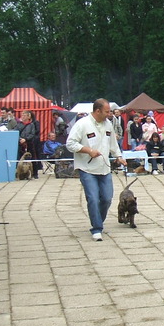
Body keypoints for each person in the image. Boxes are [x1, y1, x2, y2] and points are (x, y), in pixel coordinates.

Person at [66, 99, 126, 241]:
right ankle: (97, 228)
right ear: (97, 111)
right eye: (107, 111)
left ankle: (98, 220)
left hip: (104, 168)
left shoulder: (108, 124)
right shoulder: (82, 124)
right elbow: (70, 143)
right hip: (86, 168)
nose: (109, 114)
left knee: (106, 198)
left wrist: (119, 156)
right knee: (93, 198)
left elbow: (113, 143)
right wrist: (88, 150)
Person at [18, 110, 41, 179]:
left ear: (28, 116)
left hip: (30, 144)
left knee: (33, 158)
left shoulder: (31, 125)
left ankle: (35, 173)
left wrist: (26, 139)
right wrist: (20, 139)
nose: (23, 117)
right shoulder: (19, 124)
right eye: (22, 115)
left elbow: (32, 134)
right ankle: (21, 173)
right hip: (21, 144)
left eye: (24, 115)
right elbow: (16, 132)